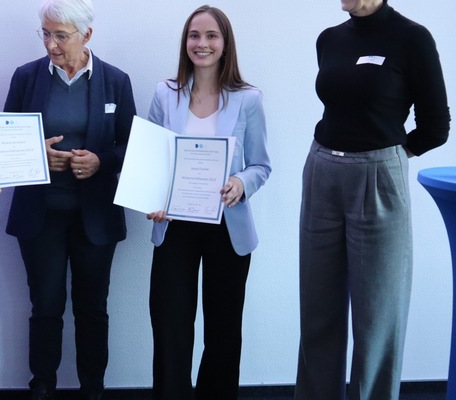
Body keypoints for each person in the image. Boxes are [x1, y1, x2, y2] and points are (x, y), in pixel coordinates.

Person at [294, 0, 450, 399]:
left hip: (378, 176)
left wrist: (388, 158)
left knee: (378, 315)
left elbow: (436, 126)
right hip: (322, 170)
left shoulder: (412, 38)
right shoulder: (329, 39)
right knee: (318, 310)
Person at [2, 0, 135, 399]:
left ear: (87, 35)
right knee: (45, 305)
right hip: (40, 216)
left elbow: (131, 147)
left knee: (93, 307)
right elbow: (4, 143)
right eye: (45, 33)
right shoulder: (26, 78)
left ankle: (93, 387)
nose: (51, 44)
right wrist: (35, 154)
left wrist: (101, 161)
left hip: (95, 217)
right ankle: (42, 385)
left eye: (61, 35)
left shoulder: (115, 80)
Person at [145, 5, 271, 400]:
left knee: (223, 331)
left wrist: (240, 181)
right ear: (185, 43)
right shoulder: (166, 94)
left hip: (227, 228)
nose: (202, 44)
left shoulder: (248, 99)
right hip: (175, 225)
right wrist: (151, 197)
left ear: (225, 43)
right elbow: (150, 161)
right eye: (194, 36)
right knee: (170, 328)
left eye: (211, 36)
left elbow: (262, 166)